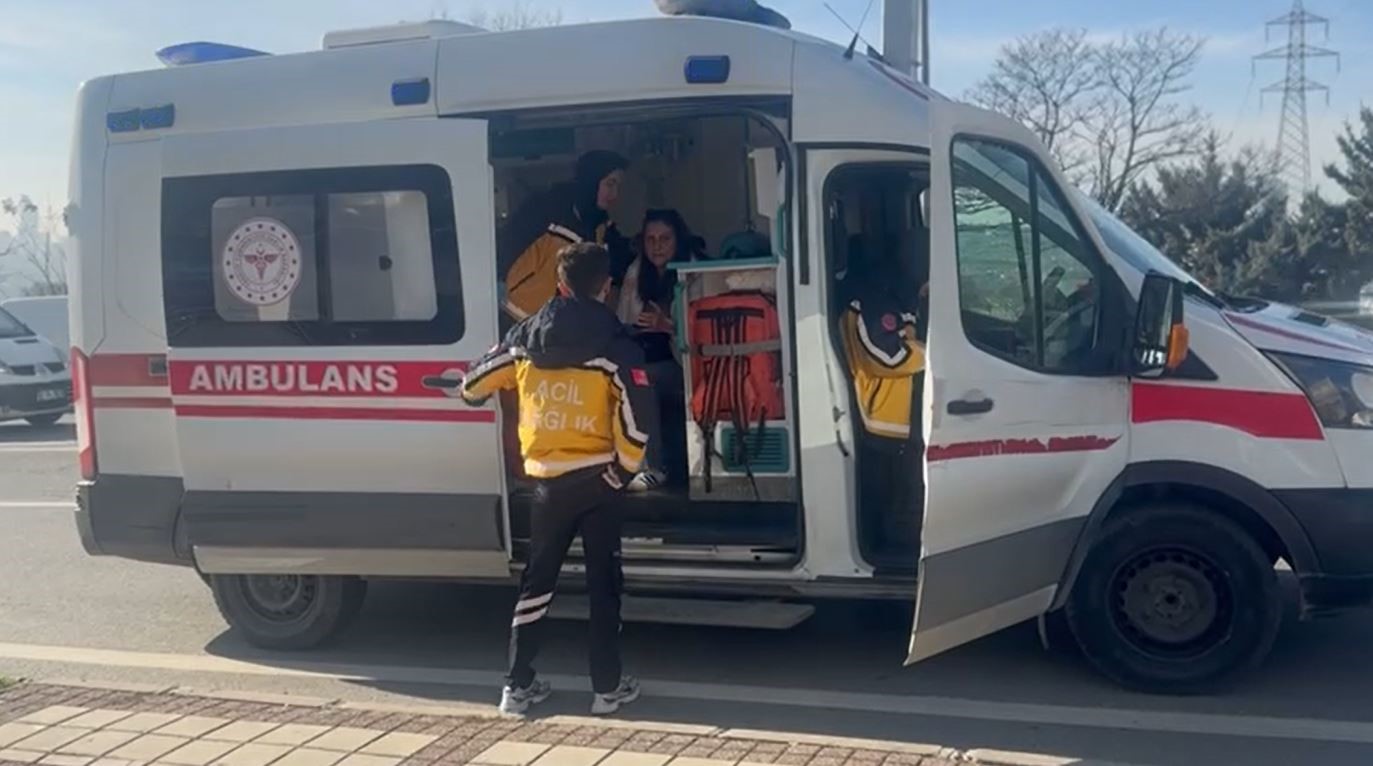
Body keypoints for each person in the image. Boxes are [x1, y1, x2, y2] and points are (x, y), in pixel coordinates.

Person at [462, 242, 657, 717]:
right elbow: (639, 419)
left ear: (560, 285)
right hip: (600, 482)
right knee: (603, 585)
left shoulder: (523, 340)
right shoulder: (615, 347)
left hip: (547, 484)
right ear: (606, 287)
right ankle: (606, 690)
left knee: (537, 584)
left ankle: (516, 687)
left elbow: (472, 387)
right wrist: (623, 471)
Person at [839, 236, 926, 551]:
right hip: (885, 424)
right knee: (892, 505)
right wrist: (941, 354)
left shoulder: (897, 295)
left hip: (904, 424)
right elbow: (889, 355)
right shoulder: (870, 302)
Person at [613, 209, 702, 491]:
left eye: (665, 238)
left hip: (687, 364)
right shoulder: (637, 270)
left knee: (642, 380)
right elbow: (623, 319)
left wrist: (668, 325)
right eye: (650, 239)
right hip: (648, 357)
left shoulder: (694, 271)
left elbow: (702, 334)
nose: (657, 246)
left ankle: (655, 468)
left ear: (678, 240)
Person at [502, 151, 630, 320]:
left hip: (563, 328)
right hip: (518, 318)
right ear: (591, 180)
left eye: (618, 186)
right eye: (610, 184)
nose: (615, 195)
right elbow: (505, 251)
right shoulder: (544, 211)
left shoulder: (602, 230)